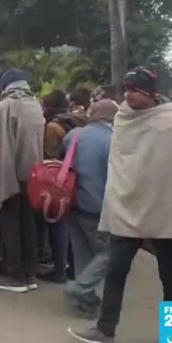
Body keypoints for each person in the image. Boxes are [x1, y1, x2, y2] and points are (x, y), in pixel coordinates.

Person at [68, 67, 172, 343]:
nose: (128, 95)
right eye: (126, 88)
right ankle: (105, 331)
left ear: (151, 92)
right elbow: (121, 164)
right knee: (115, 269)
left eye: (134, 89)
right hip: (129, 208)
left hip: (168, 209)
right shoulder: (123, 118)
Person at [0, 69, 44, 293]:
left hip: (10, 177)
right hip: (34, 178)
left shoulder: (5, 107)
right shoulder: (35, 105)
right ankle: (30, 273)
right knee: (28, 225)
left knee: (10, 226)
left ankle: (16, 276)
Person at [60, 98, 118, 319]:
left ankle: (86, 300)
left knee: (81, 252)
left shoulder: (73, 135)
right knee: (110, 252)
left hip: (71, 202)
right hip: (97, 205)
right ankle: (80, 287)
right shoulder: (113, 139)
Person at [38, 89, 88, 284]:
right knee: (74, 227)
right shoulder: (81, 121)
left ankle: (59, 270)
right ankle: (74, 268)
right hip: (80, 179)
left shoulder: (53, 127)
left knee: (57, 225)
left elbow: (50, 158)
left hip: (60, 182)